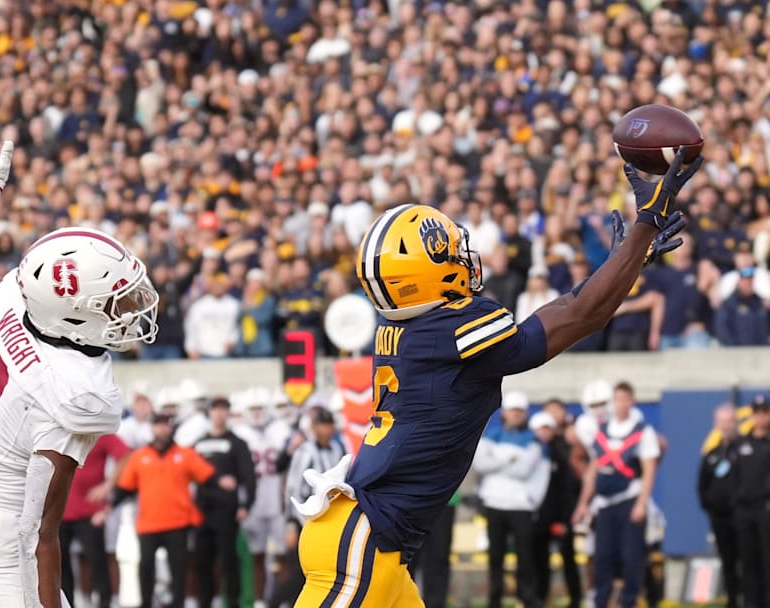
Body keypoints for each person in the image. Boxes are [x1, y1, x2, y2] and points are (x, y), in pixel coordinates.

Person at [291, 149, 700, 605]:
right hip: (363, 539)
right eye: (446, 251)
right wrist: (642, 228)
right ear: (424, 273)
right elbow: (581, 315)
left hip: (372, 538)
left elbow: (570, 313)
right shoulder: (452, 327)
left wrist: (625, 262)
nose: (462, 256)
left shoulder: (416, 328)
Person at [0, 120, 159, 608]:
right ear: (73, 317)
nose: (131, 309)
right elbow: (38, 534)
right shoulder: (73, 394)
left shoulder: (18, 299)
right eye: (112, 304)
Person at [573, 381, 661, 608]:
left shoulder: (642, 430)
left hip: (629, 499)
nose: (619, 405)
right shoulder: (602, 431)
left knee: (631, 557)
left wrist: (641, 503)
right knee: (602, 557)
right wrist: (583, 503)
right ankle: (602, 601)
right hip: (604, 503)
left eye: (623, 399)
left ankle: (629, 601)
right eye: (616, 400)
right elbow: (594, 467)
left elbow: (649, 468)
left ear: (632, 402)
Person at [115, 412, 215, 608]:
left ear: (171, 428)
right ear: (152, 428)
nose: (162, 429)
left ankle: (179, 603)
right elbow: (125, 488)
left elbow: (208, 478)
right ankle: (146, 603)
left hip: (178, 521)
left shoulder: (185, 454)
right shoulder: (140, 456)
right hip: (148, 522)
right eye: (158, 425)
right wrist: (106, 506)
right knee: (145, 567)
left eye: (165, 425)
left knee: (179, 569)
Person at [472, 391, 549, 608]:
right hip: (494, 504)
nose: (515, 415)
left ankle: (528, 600)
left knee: (525, 558)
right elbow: (480, 464)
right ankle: (494, 601)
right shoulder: (491, 435)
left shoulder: (533, 440)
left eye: (519, 411)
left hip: (520, 506)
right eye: (512, 410)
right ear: (505, 413)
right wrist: (512, 458)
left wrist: (498, 459)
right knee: (495, 558)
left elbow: (524, 470)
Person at [274, 407, 347, 607]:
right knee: (298, 571)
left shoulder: (338, 449)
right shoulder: (304, 452)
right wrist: (291, 524)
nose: (327, 429)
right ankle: (273, 602)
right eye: (323, 425)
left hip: (330, 520)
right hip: (304, 519)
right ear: (314, 427)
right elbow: (293, 488)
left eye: (330, 424)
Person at [192, 396, 257, 608]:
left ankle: (233, 603)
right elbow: (187, 474)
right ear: (209, 412)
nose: (219, 414)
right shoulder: (198, 443)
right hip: (202, 511)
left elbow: (249, 477)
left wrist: (247, 505)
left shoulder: (237, 444)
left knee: (228, 562)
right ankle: (205, 602)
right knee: (202, 563)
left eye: (223, 409)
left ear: (228, 413)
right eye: (215, 409)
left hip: (226, 511)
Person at [731, 396, 770, 608]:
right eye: (756, 412)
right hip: (745, 509)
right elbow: (734, 476)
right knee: (748, 560)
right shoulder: (742, 443)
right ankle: (752, 603)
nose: (760, 417)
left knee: (769, 560)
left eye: (764, 412)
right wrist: (736, 502)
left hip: (766, 508)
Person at [233, 386, 294, 603]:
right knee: (257, 554)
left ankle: (281, 599)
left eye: (260, 408)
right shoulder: (239, 433)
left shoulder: (282, 429)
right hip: (253, 503)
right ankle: (260, 601)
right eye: (253, 408)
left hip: (278, 502)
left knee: (282, 554)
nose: (257, 413)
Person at [59, 433, 130, 608]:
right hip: (60, 511)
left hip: (89, 511)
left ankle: (105, 603)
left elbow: (126, 456)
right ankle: (67, 603)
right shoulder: (58, 430)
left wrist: (108, 486)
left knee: (98, 562)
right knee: (60, 567)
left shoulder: (97, 432)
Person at [531, 403, 583, 608]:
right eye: (541, 428)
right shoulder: (532, 450)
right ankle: (540, 600)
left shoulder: (562, 450)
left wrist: (564, 519)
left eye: (547, 428)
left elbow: (567, 488)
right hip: (539, 518)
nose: (544, 432)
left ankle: (575, 600)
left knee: (568, 560)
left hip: (560, 516)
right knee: (539, 563)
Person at [697, 404, 740, 608]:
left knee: (747, 560)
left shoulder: (743, 450)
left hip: (741, 515)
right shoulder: (712, 454)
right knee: (728, 560)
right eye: (721, 422)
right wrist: (711, 506)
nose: (726, 426)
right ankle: (732, 600)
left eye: (729, 421)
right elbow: (702, 485)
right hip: (720, 517)